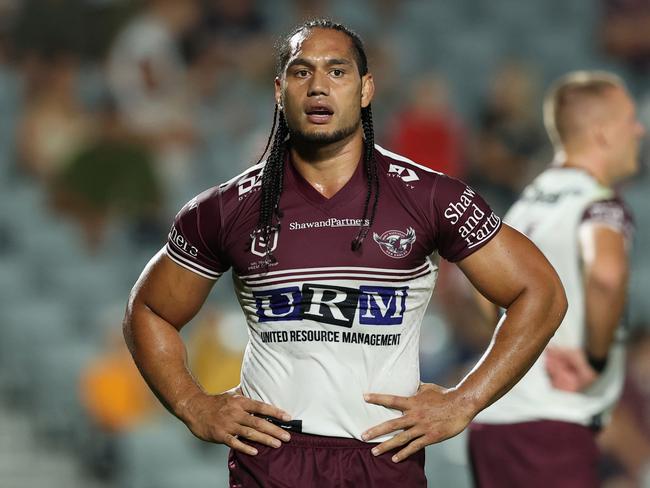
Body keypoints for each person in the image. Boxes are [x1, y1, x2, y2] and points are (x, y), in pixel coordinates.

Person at [123, 20, 567, 487]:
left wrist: (465, 400)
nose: (318, 86)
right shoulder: (227, 208)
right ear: (279, 90)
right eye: (301, 72)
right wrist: (194, 405)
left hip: (382, 460)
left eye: (337, 72)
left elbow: (540, 292)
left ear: (366, 89)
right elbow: (149, 310)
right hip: (271, 463)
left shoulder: (429, 196)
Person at [469, 71, 644, 488]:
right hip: (550, 425)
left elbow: (483, 293)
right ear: (602, 133)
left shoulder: (527, 201)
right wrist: (595, 360)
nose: (639, 130)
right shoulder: (598, 203)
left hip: (494, 423)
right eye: (629, 119)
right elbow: (605, 274)